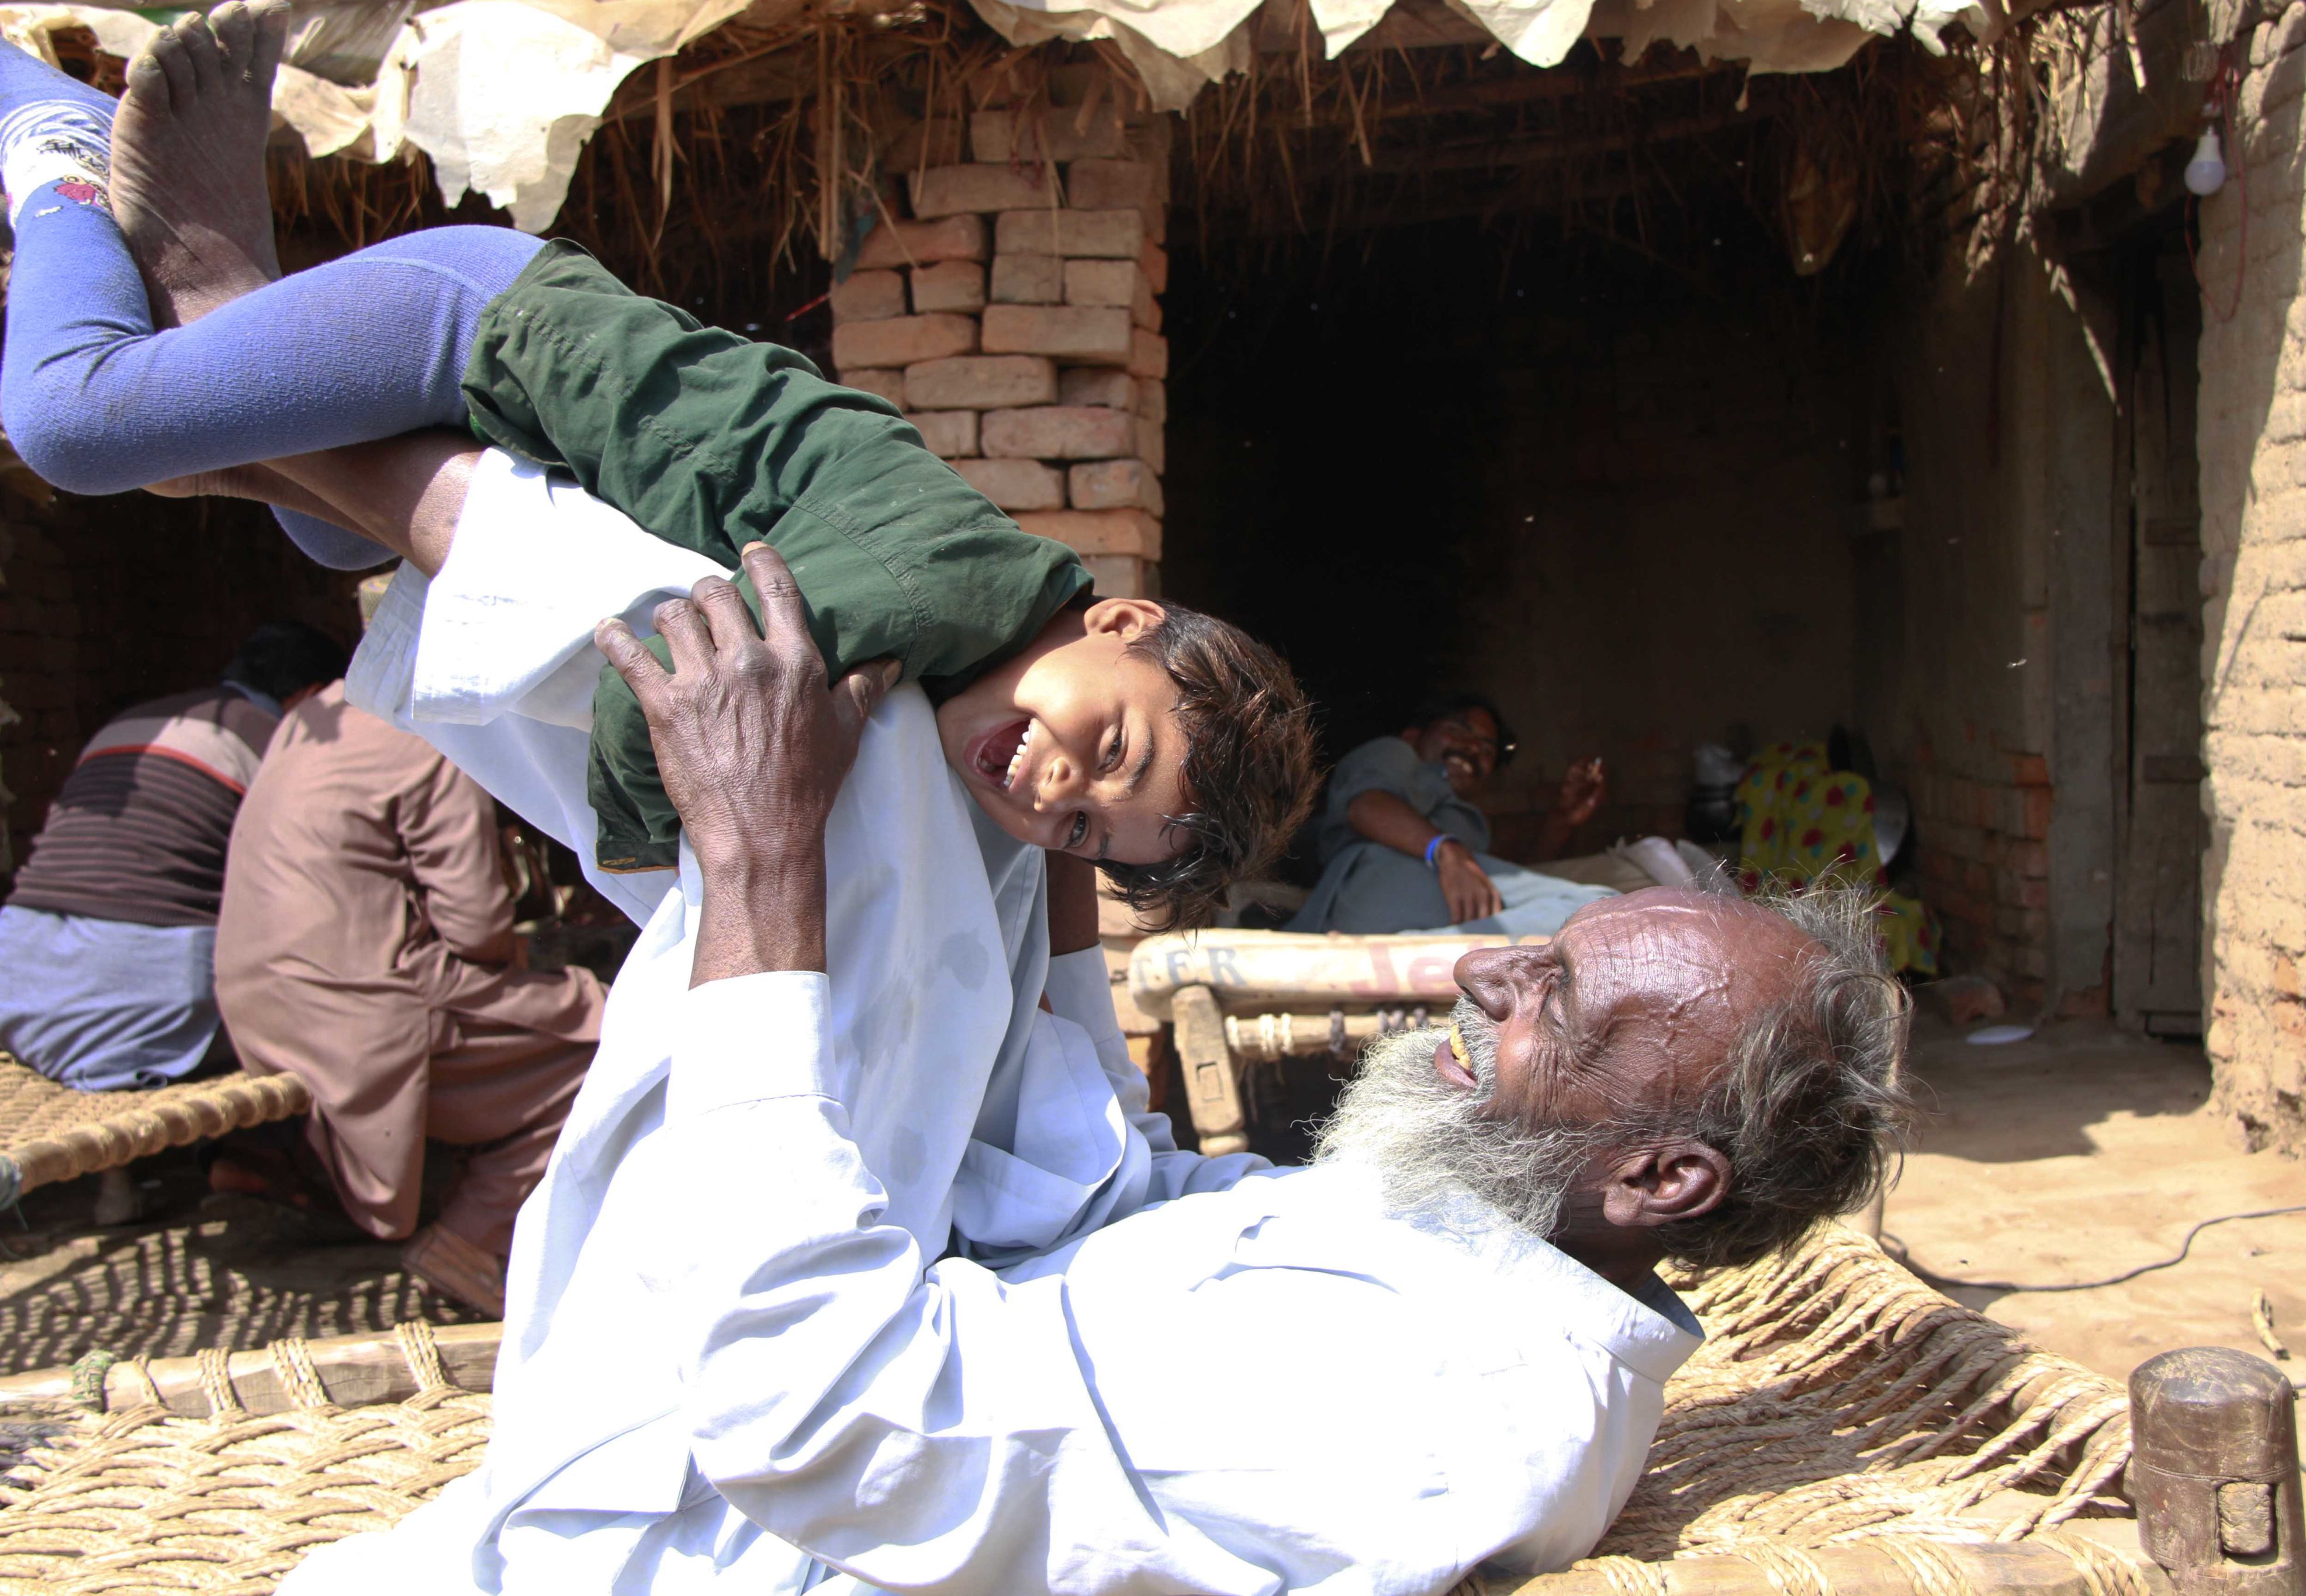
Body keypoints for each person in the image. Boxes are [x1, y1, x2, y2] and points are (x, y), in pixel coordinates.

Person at [282, 542, 1911, 1595]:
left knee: (841, 801)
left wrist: (765, 864)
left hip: (681, 1523)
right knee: (918, 809)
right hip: (737, 1429)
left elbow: (823, 1424)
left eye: (1555, 997)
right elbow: (1135, 1196)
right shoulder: (1473, 1259)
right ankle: (421, 513)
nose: (1489, 977)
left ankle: (415, 505)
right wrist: (1057, 877)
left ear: (1657, 1176)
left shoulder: (1417, 1397)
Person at [0, 15, 1316, 929]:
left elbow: (1036, 855)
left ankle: (226, 294)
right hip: (480, 332)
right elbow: (668, 693)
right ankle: (52, 157)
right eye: (1112, 745)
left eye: (1081, 829)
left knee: (325, 532)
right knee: (78, 425)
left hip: (494, 393)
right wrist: (681, 868)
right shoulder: (933, 587)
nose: (1053, 787)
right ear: (1124, 620)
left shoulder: (968, 641)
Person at [213, 677, 609, 1315]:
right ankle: (471, 1237)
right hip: (358, 1005)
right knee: (612, 1039)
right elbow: (476, 926)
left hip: (254, 1001)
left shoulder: (314, 712)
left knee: (555, 1013)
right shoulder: (432, 727)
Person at [0, 620, 344, 1090]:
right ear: (312, 697)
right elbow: (318, 889)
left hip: (16, 981)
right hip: (139, 993)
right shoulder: (281, 739)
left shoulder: (134, 722)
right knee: (335, 1015)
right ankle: (245, 1160)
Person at [1291, 693, 1616, 936]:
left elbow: (1498, 886)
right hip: (1373, 887)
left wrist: (1561, 821)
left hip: (1428, 916)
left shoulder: (1466, 821)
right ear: (1414, 735)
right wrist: (1447, 852)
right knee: (1604, 913)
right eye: (1460, 730)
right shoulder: (1397, 754)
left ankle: (1425, 953)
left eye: (1487, 750)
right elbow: (1366, 807)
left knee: (1603, 911)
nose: (1474, 748)